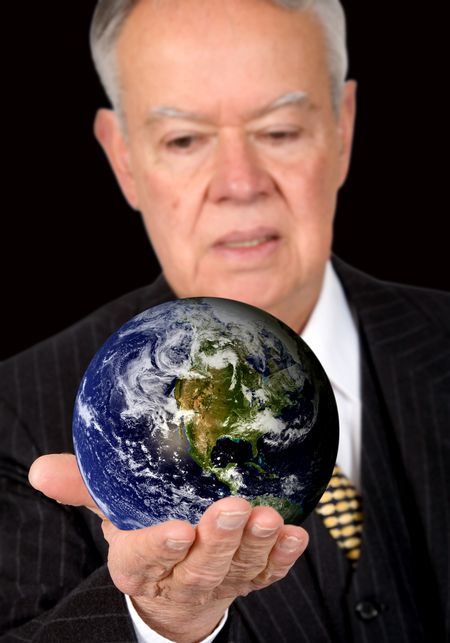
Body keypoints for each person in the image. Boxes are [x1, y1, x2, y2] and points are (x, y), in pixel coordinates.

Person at [0, 0, 448, 641]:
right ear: (124, 157)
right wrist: (162, 622)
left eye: (280, 131)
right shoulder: (13, 418)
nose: (239, 183)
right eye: (184, 140)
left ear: (343, 129)